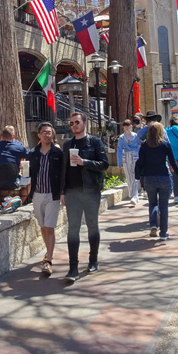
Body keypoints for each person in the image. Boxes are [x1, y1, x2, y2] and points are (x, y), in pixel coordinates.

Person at [60, 112, 109, 283]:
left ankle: (93, 260)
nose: (74, 125)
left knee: (92, 226)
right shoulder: (67, 144)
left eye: (77, 122)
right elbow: (63, 170)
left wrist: (84, 162)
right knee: (73, 229)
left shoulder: (94, 142)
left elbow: (104, 164)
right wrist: (62, 191)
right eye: (72, 123)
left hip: (90, 191)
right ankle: (73, 266)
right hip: (72, 193)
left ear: (85, 123)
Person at [28, 122, 64, 277]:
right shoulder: (33, 153)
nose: (47, 135)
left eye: (49, 132)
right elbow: (28, 171)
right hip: (37, 193)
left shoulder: (58, 153)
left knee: (49, 227)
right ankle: (48, 251)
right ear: (39, 135)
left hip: (52, 194)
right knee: (43, 227)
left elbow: (63, 174)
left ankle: (48, 260)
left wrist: (63, 192)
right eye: (44, 132)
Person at [135, 122, 178, 240]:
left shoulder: (144, 145)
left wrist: (138, 176)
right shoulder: (165, 144)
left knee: (152, 203)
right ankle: (163, 233)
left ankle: (154, 224)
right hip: (163, 176)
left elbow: (140, 162)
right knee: (164, 206)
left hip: (149, 177)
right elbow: (172, 161)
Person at [0, 125, 29, 203]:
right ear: (13, 136)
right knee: (29, 181)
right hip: (13, 181)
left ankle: (5, 201)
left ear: (1, 136)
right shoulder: (19, 147)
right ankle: (20, 203)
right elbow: (29, 156)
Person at [116, 117, 141, 206]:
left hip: (135, 156)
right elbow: (119, 150)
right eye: (125, 126)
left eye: (128, 126)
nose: (126, 128)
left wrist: (140, 159)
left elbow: (139, 147)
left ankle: (134, 196)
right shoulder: (121, 138)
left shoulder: (136, 136)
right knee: (128, 176)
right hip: (125, 157)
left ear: (131, 126)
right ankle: (133, 195)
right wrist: (119, 163)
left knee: (135, 175)